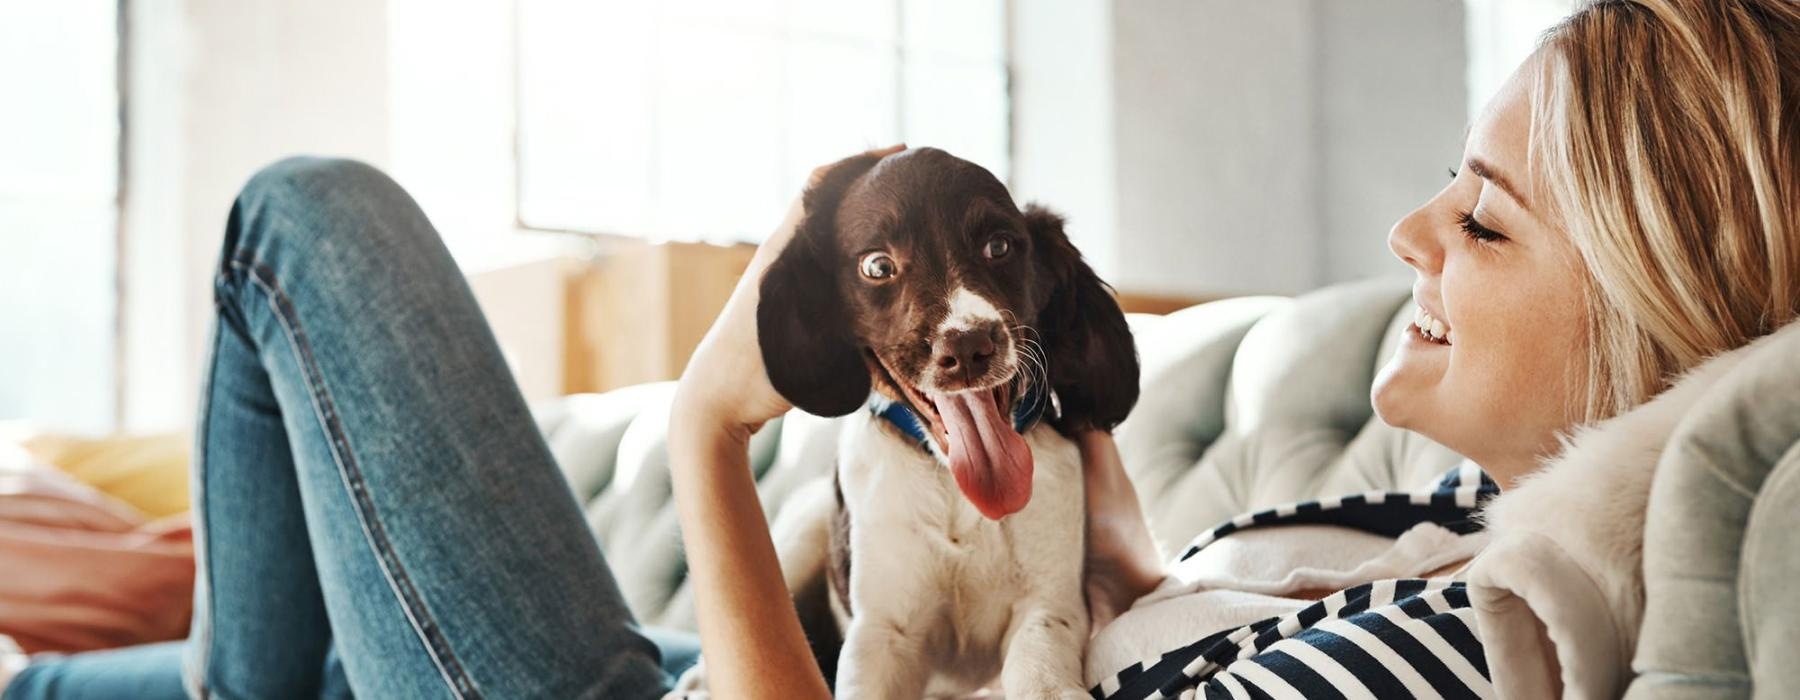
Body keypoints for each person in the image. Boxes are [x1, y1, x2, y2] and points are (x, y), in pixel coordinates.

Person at [4, 0, 1794, 697]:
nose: (1409, 234)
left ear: (1657, 320)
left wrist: (714, 432)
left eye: (1482, 220)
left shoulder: (1474, 641)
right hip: (715, 662)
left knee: (301, 219)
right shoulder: (1427, 528)